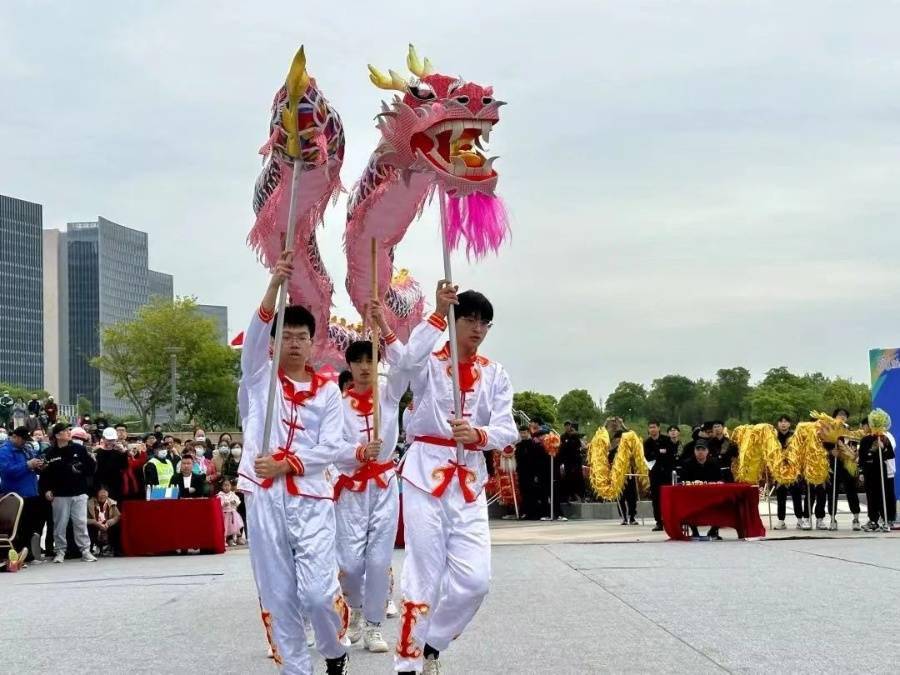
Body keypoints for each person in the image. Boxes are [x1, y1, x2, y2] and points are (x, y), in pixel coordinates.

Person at [393, 281, 517, 675]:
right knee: (423, 571)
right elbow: (406, 361)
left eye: (485, 322)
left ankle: (433, 641)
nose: (477, 328)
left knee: (475, 581)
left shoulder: (495, 374)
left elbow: (507, 428)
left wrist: (480, 436)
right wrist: (435, 312)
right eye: (469, 319)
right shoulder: (429, 361)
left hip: (468, 479)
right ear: (453, 321)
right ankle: (408, 662)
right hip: (425, 473)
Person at [237, 249, 350, 674]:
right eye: (287, 335)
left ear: (312, 342)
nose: (295, 343)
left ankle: (334, 649)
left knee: (318, 595)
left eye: (302, 336)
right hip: (264, 498)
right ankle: (296, 669)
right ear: (274, 341)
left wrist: (289, 463)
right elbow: (252, 341)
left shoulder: (327, 391)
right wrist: (272, 287)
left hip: (311, 499)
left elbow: (333, 446)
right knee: (279, 594)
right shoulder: (259, 377)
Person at [333, 299, 407, 653]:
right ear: (348, 365)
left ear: (378, 364)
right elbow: (330, 447)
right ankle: (357, 610)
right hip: (350, 488)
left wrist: (384, 324)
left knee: (379, 559)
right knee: (348, 562)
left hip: (384, 485)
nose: (364, 367)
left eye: (370, 360)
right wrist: (357, 452)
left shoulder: (389, 397)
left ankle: (375, 625)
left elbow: (406, 365)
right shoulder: (336, 405)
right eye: (358, 361)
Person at [40, 422, 97, 563]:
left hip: (79, 492)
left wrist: (86, 465)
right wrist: (46, 489)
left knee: (80, 523)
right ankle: (60, 551)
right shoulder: (49, 453)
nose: (68, 432)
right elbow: (45, 475)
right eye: (65, 431)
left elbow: (91, 469)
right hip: (59, 495)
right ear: (58, 435)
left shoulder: (79, 449)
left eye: (68, 430)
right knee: (60, 525)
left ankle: (85, 550)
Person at [0, 426, 45, 561]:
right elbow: (6, 471)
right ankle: (16, 554)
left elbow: (32, 466)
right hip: (16, 496)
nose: (25, 442)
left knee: (30, 526)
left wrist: (38, 465)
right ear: (15, 437)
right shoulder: (4, 451)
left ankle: (27, 553)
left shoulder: (26, 449)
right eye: (23, 440)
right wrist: (27, 465)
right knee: (18, 527)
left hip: (31, 493)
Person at [823, 408, 862, 531]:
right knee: (832, 492)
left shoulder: (851, 432)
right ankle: (832, 519)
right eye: (839, 415)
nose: (842, 416)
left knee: (851, 491)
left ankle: (856, 518)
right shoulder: (828, 431)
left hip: (848, 466)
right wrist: (830, 451)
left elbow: (855, 448)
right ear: (834, 417)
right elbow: (822, 447)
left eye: (844, 415)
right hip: (834, 465)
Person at [858, 417, 896, 530]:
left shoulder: (885, 438)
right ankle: (873, 520)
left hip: (882, 472)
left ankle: (886, 520)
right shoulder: (865, 440)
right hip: (869, 472)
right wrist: (861, 472)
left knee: (884, 495)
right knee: (871, 496)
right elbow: (862, 457)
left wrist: (883, 448)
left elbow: (890, 455)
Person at [679, 439, 723, 539]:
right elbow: (683, 481)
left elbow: (720, 479)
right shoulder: (687, 463)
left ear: (707, 451)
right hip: (692, 495)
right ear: (694, 451)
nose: (700, 452)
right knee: (686, 505)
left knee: (724, 504)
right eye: (698, 449)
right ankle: (695, 532)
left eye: (703, 449)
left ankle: (713, 531)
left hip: (711, 494)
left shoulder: (714, 463)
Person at [772, 415, 809, 530]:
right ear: (778, 424)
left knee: (796, 496)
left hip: (794, 470)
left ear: (789, 424)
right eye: (781, 421)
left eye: (786, 421)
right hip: (779, 470)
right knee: (781, 496)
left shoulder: (795, 435)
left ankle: (799, 520)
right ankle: (781, 521)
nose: (783, 424)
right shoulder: (773, 436)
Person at [644, 420, 675, 531]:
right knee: (656, 499)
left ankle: (669, 520)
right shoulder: (647, 443)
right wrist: (660, 452)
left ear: (658, 428)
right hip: (655, 474)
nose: (652, 429)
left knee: (667, 498)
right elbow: (648, 457)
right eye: (650, 427)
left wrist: (658, 453)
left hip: (666, 473)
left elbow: (670, 455)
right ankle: (658, 522)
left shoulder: (666, 440)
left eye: (654, 427)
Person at [607, 419, 637, 525]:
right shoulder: (612, 452)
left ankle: (632, 517)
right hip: (618, 477)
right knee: (621, 498)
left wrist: (622, 425)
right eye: (617, 440)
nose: (619, 441)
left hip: (629, 476)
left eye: (621, 439)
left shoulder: (630, 449)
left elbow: (633, 435)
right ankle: (624, 517)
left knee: (632, 498)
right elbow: (609, 463)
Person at [94, 427, 129, 502]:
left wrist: (124, 453)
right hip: (101, 485)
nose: (110, 442)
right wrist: (100, 488)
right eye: (109, 440)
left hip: (116, 485)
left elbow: (124, 466)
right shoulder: (97, 452)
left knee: (116, 510)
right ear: (103, 438)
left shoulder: (119, 453)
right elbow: (95, 472)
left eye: (113, 440)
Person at [514, 425, 542, 519]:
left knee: (532, 492)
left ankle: (533, 513)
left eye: (524, 433)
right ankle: (525, 512)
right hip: (522, 472)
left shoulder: (534, 444)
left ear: (528, 433)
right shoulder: (518, 445)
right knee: (523, 492)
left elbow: (536, 460)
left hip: (532, 472)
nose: (523, 435)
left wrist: (536, 473)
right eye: (521, 433)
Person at [86, 486, 120, 556]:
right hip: (95, 526)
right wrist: (95, 522)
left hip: (107, 526)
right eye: (101, 492)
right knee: (89, 528)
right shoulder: (89, 503)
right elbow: (83, 519)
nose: (103, 494)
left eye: (105, 492)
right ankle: (91, 548)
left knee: (117, 527)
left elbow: (118, 516)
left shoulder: (112, 503)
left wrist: (111, 521)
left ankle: (113, 549)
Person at [559, 421, 586, 503]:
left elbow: (583, 446)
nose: (568, 427)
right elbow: (561, 448)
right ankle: (569, 496)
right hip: (567, 460)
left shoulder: (576, 436)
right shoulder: (563, 437)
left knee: (579, 477)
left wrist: (575, 434)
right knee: (568, 478)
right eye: (566, 426)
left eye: (569, 426)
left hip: (576, 460)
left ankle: (581, 495)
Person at [217, 479, 245, 545]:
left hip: (233, 514)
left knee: (236, 526)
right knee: (226, 527)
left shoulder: (233, 494)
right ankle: (226, 540)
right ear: (222, 486)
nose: (226, 487)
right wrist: (223, 504)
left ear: (231, 486)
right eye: (225, 485)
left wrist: (234, 502)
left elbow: (238, 501)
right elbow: (218, 503)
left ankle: (236, 538)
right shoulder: (220, 495)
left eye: (228, 485)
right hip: (225, 514)